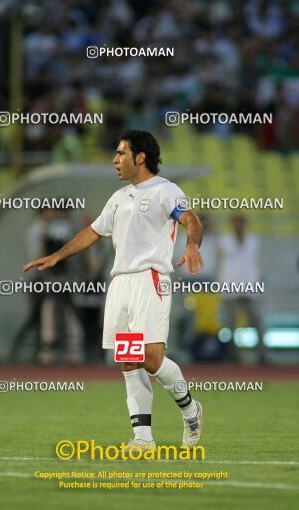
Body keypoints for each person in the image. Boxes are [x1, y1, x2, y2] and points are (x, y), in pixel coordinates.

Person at [23, 130, 204, 450]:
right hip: (120, 283)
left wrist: (191, 246)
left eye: (121, 153)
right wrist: (56, 256)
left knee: (151, 358)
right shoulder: (118, 198)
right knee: (129, 362)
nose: (114, 160)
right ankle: (143, 439)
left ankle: (190, 409)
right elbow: (92, 233)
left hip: (150, 279)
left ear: (141, 158)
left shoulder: (165, 191)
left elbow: (191, 220)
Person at [217, 215, 266, 363]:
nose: (238, 226)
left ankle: (263, 354)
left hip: (250, 286)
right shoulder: (224, 240)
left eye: (240, 223)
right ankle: (233, 355)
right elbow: (219, 262)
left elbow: (256, 261)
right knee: (231, 324)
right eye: (236, 223)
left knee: (256, 321)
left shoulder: (253, 240)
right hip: (230, 287)